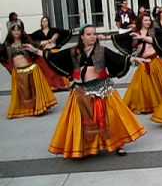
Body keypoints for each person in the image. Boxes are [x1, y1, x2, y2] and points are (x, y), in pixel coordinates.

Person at [36, 24, 147, 159]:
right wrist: (35, 51)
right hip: (81, 91)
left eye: (94, 34)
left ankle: (118, 144)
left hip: (102, 90)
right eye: (88, 34)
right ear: (82, 37)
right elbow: (56, 57)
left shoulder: (101, 51)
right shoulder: (74, 51)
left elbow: (118, 58)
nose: (92, 36)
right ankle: (86, 147)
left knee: (111, 119)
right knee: (83, 121)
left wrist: (132, 58)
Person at [112, 12, 162, 114]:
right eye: (145, 20)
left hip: (156, 61)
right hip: (143, 62)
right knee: (142, 87)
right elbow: (122, 38)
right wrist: (105, 38)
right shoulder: (135, 32)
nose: (148, 22)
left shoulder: (154, 31)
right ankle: (145, 105)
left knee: (160, 84)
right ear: (140, 22)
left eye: (149, 20)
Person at [0, 23, 57, 119]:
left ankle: (38, 108)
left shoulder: (27, 43)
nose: (16, 32)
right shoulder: (6, 45)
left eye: (19, 29)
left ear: (22, 31)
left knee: (33, 91)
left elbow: (38, 45)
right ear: (10, 32)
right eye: (14, 30)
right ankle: (28, 109)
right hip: (18, 72)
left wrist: (49, 42)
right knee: (24, 93)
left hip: (31, 70)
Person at [29, 15, 71, 91]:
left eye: (46, 21)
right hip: (44, 52)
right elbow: (30, 39)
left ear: (48, 22)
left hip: (54, 51)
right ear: (41, 23)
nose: (45, 22)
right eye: (43, 21)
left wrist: (60, 45)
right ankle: (49, 85)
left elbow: (68, 33)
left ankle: (61, 84)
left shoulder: (54, 31)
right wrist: (41, 43)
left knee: (57, 67)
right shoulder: (38, 33)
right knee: (45, 67)